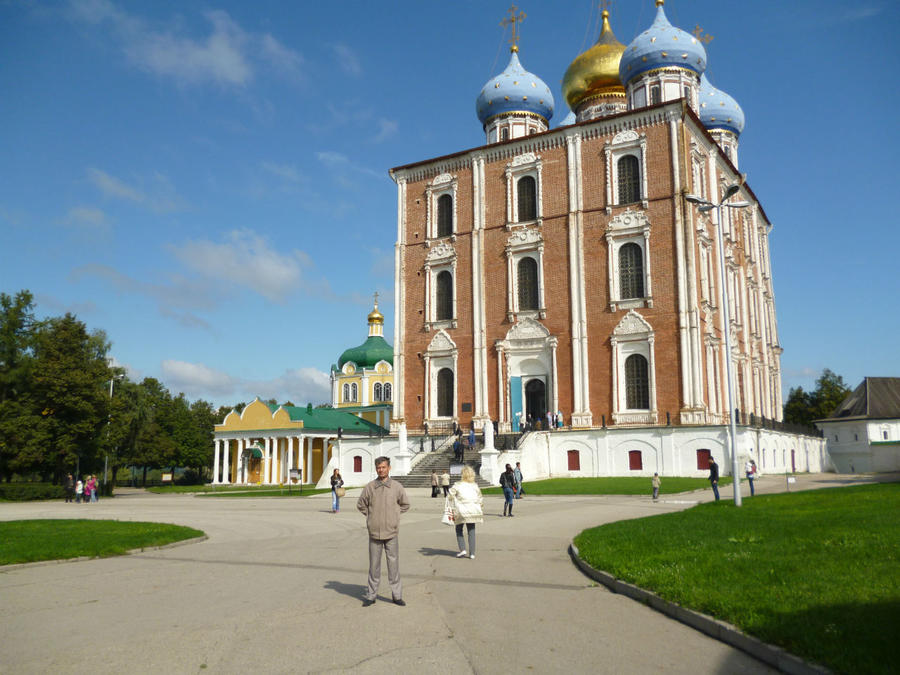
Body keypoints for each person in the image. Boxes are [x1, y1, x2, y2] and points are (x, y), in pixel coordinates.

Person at [357, 456, 410, 606]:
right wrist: (370, 516)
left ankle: (397, 595)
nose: (381, 470)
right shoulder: (370, 487)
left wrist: (395, 515)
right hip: (374, 533)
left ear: (389, 468)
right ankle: (371, 595)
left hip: (391, 532)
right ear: (376, 469)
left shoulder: (397, 487)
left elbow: (405, 504)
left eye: (383, 467)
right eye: (378, 468)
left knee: (393, 565)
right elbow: (361, 504)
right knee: (374, 566)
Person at [448, 465, 483, 559]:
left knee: (459, 529)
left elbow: (450, 494)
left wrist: (452, 501)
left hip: (461, 511)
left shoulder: (458, 485)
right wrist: (480, 505)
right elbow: (480, 497)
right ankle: (472, 553)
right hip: (473, 511)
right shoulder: (475, 486)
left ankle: (463, 549)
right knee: (471, 531)